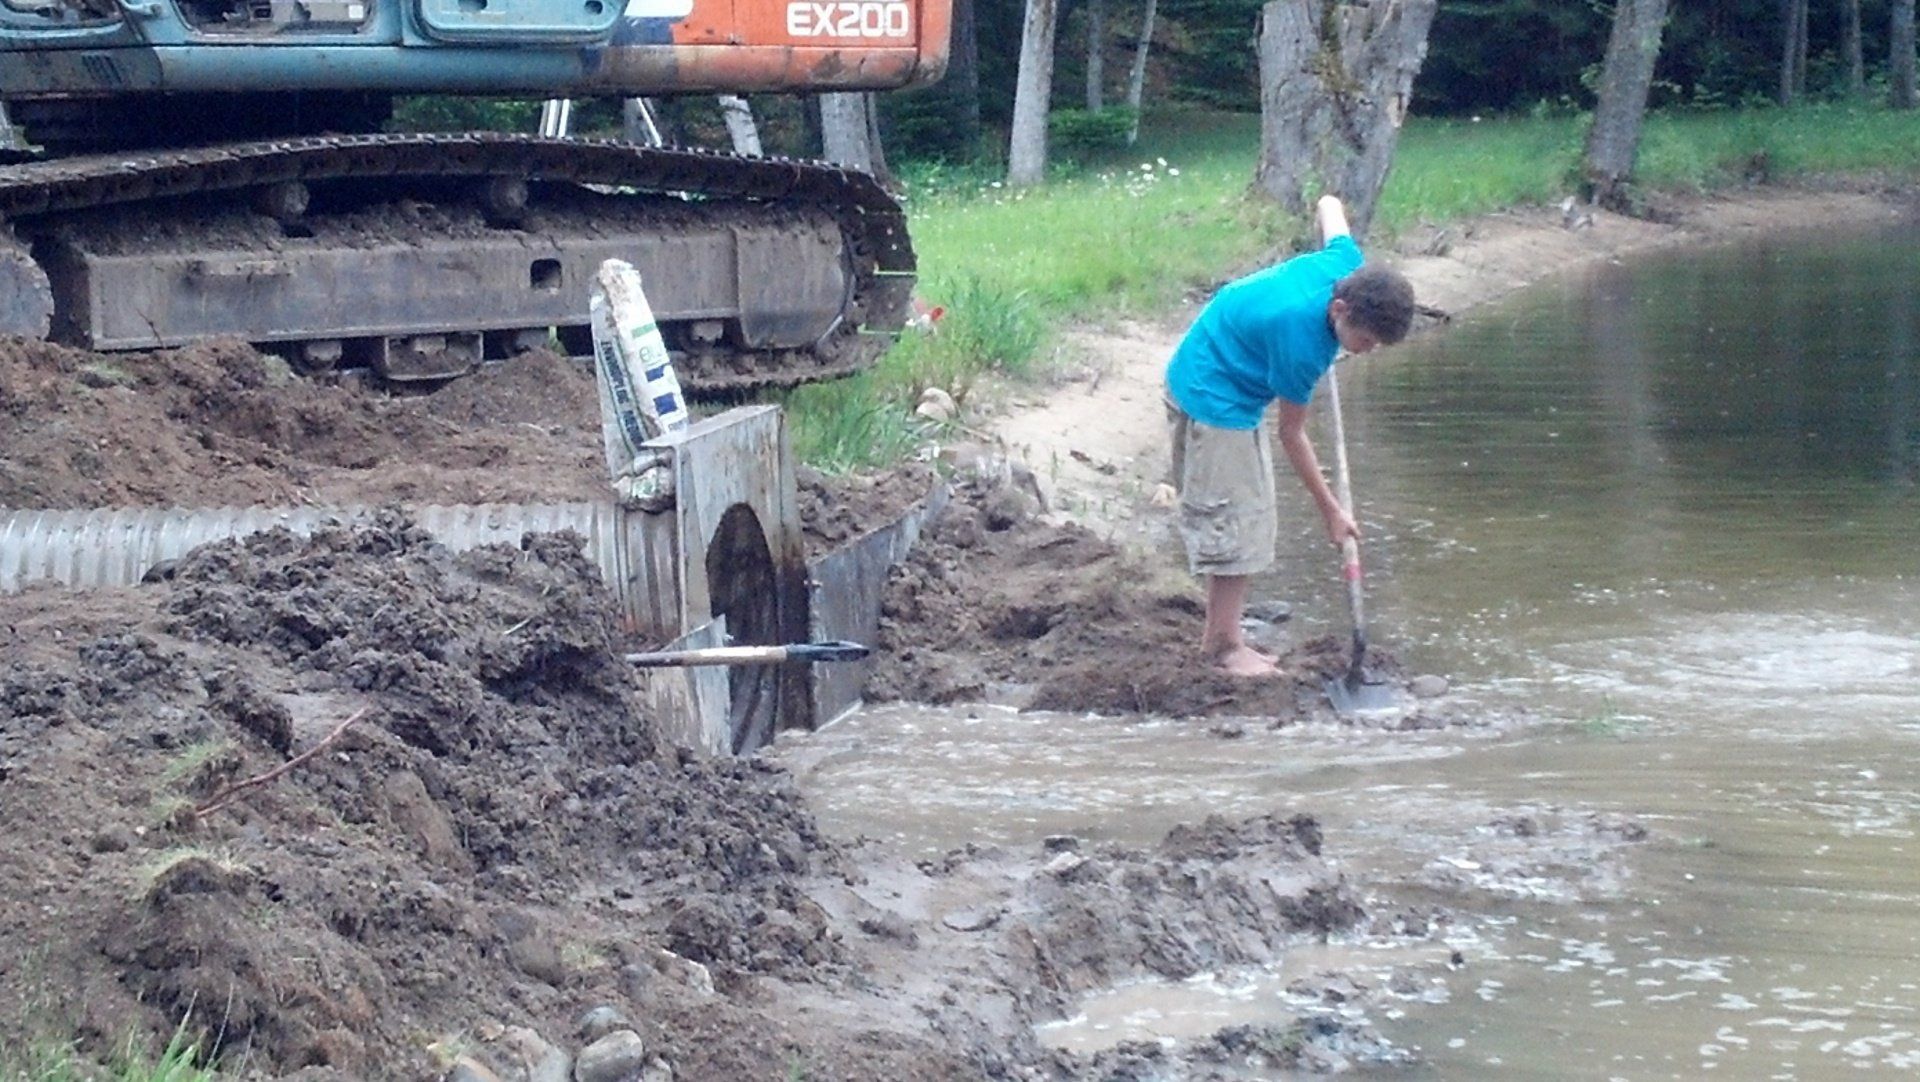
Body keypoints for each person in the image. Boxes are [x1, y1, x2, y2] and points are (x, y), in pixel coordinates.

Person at [1164, 194, 1416, 678]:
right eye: (1364, 341)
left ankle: (1228, 635)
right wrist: (1332, 512)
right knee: (1238, 521)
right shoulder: (1300, 341)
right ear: (1339, 308)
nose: (1365, 353)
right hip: (1211, 392)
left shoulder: (1345, 262)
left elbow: (1330, 207)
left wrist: (1325, 202)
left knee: (1253, 515)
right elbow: (1292, 434)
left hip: (1225, 361)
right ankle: (1221, 647)